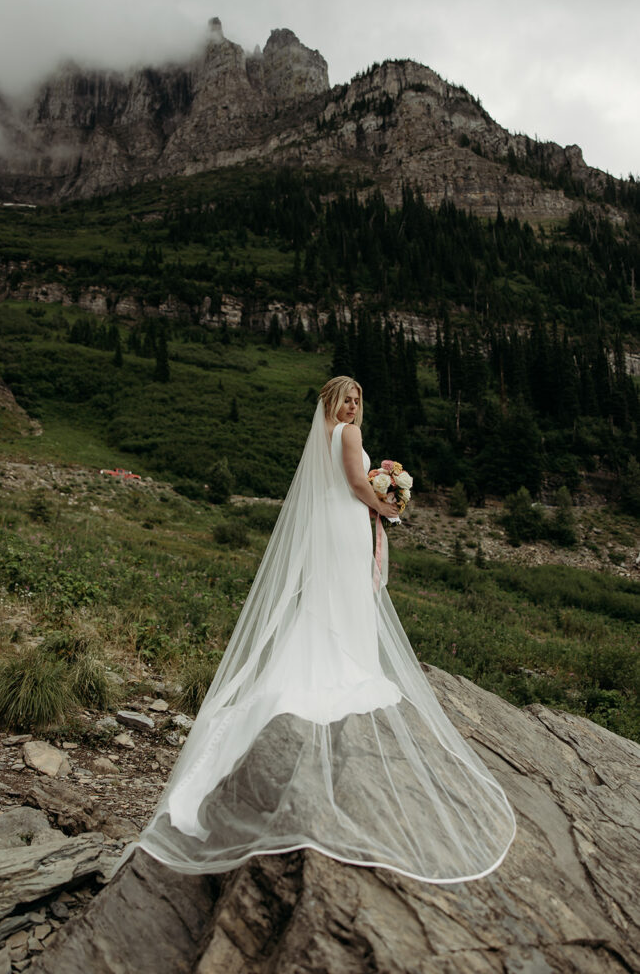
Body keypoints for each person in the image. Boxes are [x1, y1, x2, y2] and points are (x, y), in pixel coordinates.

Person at [120, 376, 516, 882]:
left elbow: (345, 485)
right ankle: (347, 664)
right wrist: (387, 507)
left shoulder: (323, 436)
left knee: (332, 597)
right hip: (347, 518)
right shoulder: (346, 435)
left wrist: (378, 502)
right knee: (345, 596)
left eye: (358, 398)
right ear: (331, 402)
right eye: (346, 399)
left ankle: (332, 658)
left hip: (331, 522)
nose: (353, 405)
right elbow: (355, 485)